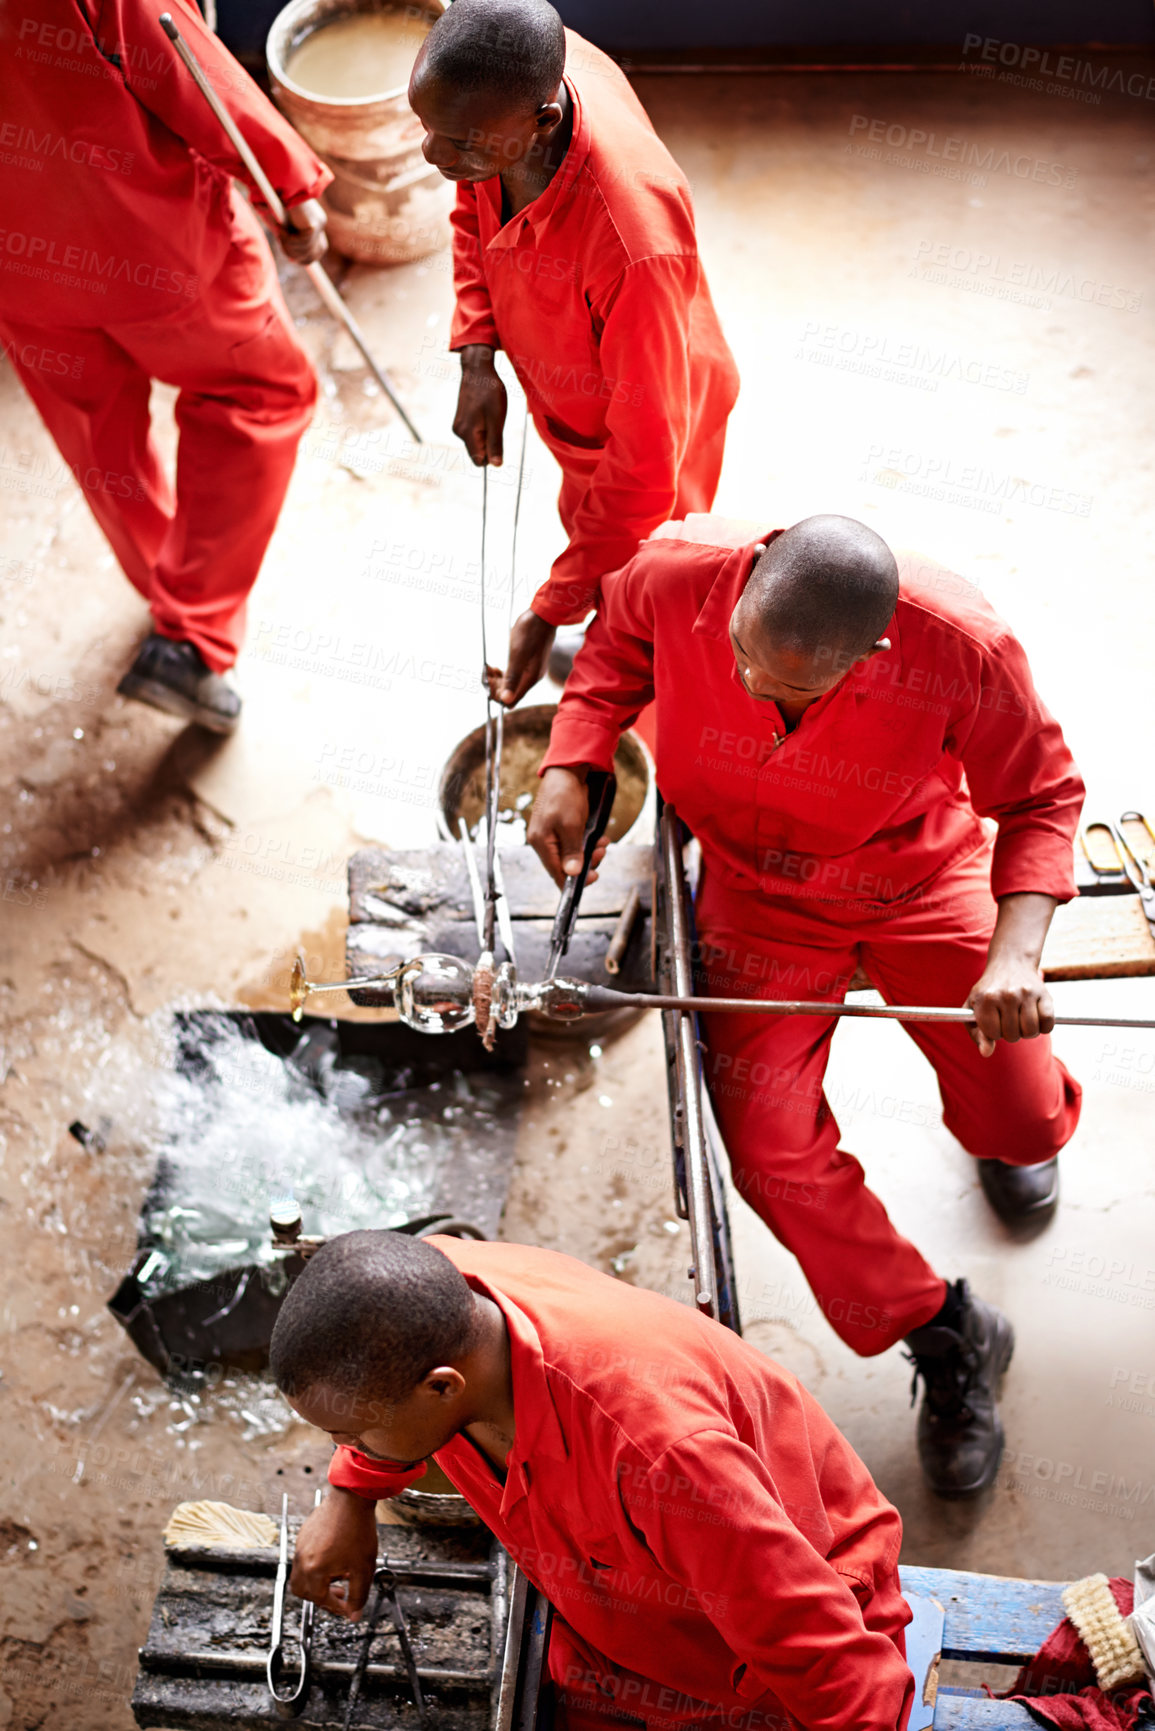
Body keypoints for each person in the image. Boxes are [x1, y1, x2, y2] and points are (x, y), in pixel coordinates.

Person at [529, 513, 1084, 1498]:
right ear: (741, 592)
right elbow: (615, 650)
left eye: (787, 688)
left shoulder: (962, 646)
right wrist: (573, 759)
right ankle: (946, 1330)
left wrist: (1017, 955)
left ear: (871, 654)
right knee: (773, 1159)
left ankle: (1010, 1130)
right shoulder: (674, 574)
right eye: (742, 658)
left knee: (1024, 1112)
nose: (748, 688)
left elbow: (1042, 799)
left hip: (917, 877)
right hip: (756, 896)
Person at [272, 1229, 917, 1731]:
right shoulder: (441, 1293)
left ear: (443, 1387)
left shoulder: (661, 1459)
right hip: (630, 1629)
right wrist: (349, 1495)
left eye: (353, 1435)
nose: (344, 1447)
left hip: (778, 1637)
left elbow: (831, 1661)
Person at [0, 0, 331, 732]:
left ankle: (168, 589)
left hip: (21, 273)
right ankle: (187, 635)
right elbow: (182, 65)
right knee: (261, 392)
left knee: (96, 433)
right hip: (158, 252)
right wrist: (288, 185)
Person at [407, 0, 740, 707]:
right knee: (601, 556)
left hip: (654, 419)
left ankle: (653, 713)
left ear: (544, 123)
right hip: (582, 392)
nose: (432, 156)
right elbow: (474, 205)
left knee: (658, 581)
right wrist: (476, 351)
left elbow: (643, 471)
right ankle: (607, 628)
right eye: (427, 128)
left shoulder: (632, 246)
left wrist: (548, 606)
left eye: (457, 142)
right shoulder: (514, 86)